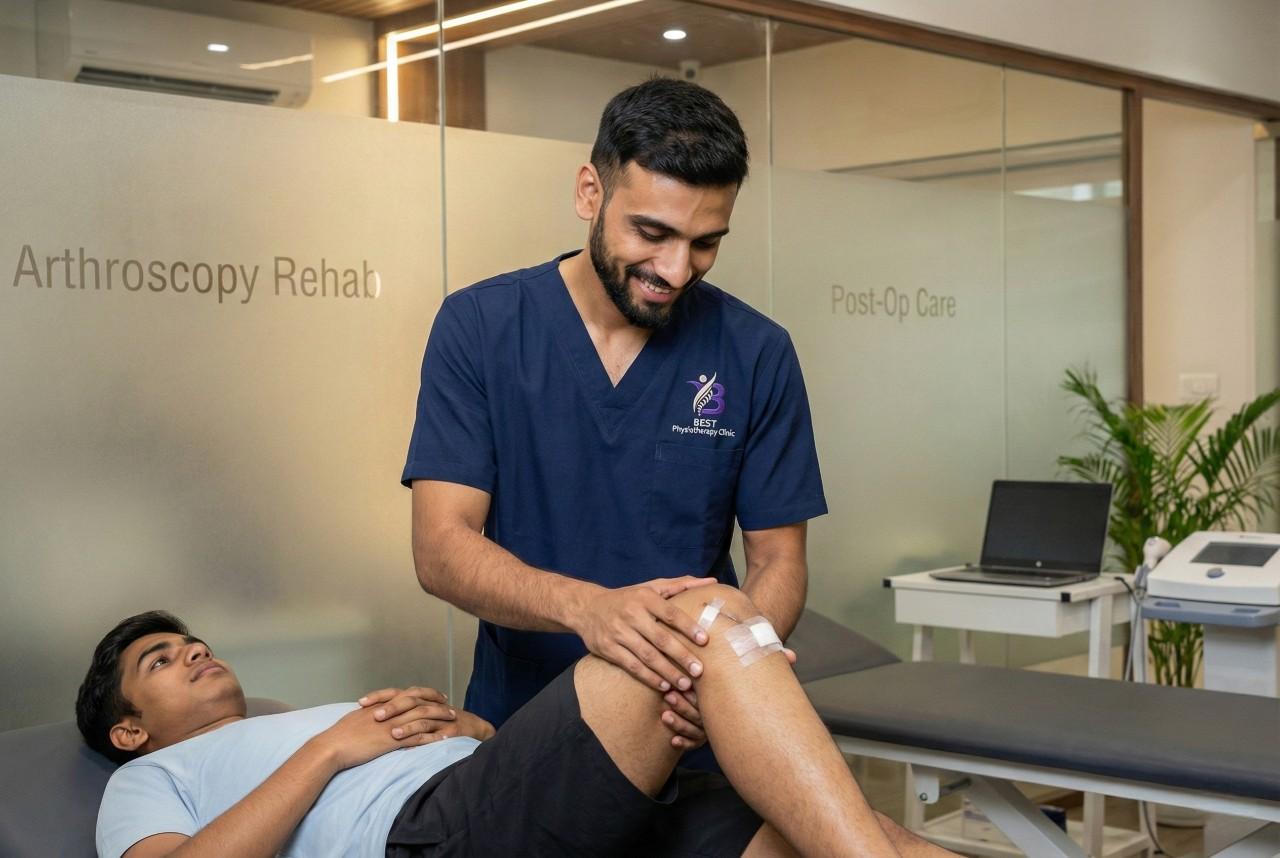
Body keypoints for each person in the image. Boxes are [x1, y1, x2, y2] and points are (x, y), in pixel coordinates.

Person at [403, 76, 826, 752]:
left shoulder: (756, 351)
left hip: (689, 728)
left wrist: (736, 661)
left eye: (706, 242)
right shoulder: (481, 326)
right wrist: (591, 610)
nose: (677, 269)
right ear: (589, 194)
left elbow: (779, 561)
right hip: (525, 731)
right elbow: (441, 549)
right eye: (652, 233)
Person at [81, 585, 958, 857]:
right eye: (160, 660)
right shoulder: (146, 778)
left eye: (192, 641)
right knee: (701, 618)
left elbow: (493, 769)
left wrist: (475, 734)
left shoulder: (284, 716)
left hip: (497, 801)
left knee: (829, 830)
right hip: (425, 839)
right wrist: (330, 748)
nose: (192, 651)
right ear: (128, 728)